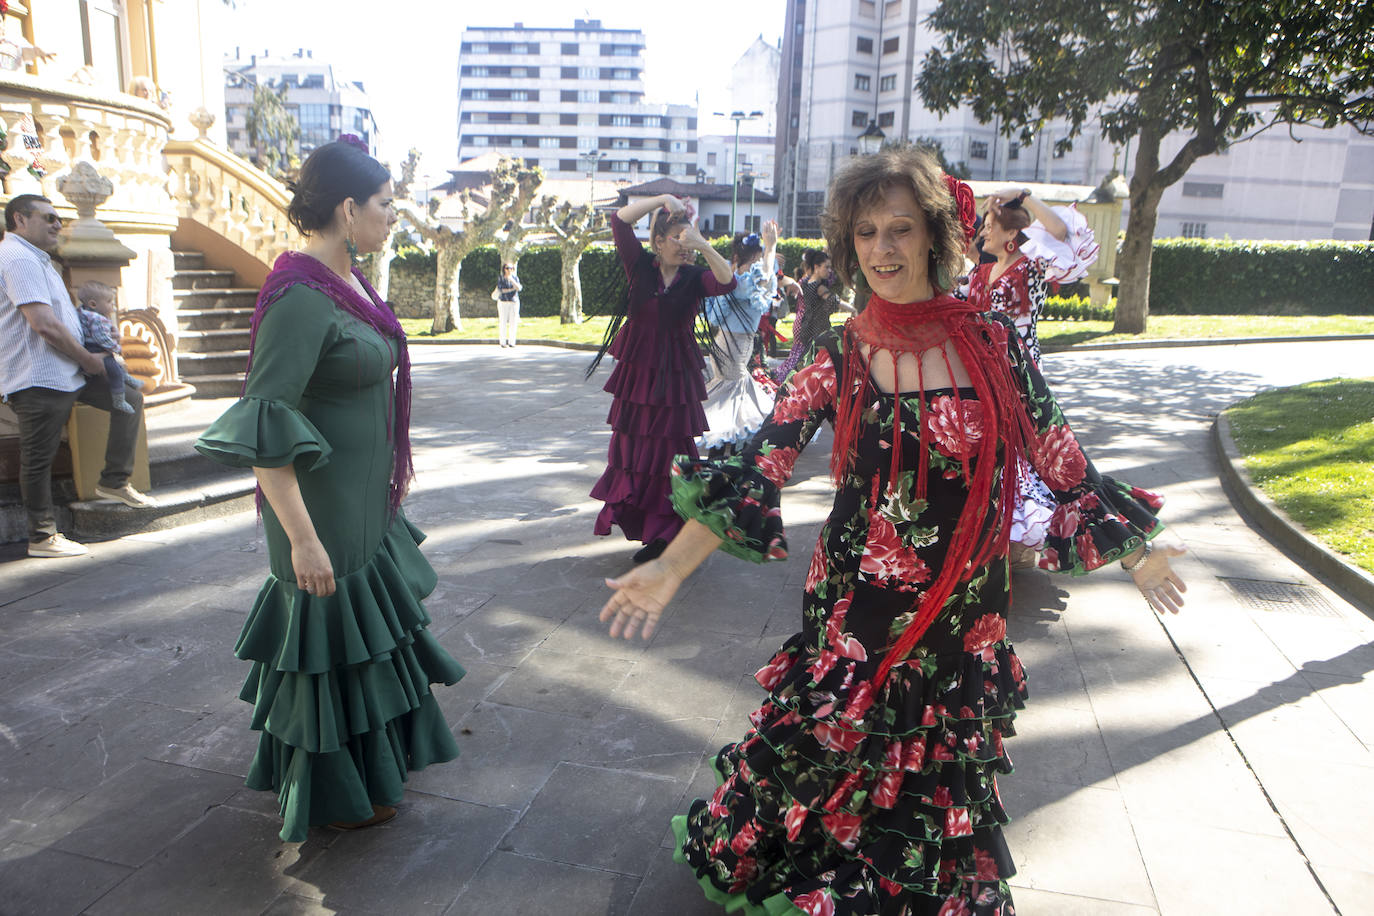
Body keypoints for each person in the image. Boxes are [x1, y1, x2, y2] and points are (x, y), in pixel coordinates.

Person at [599, 146, 1185, 915]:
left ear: (936, 238)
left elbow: (1060, 455)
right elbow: (761, 466)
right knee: (836, 741)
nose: (882, 249)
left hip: (963, 603)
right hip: (858, 598)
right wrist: (671, 569)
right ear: (849, 243)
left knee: (932, 755)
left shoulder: (996, 343)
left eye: (901, 229)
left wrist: (1137, 555)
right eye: (867, 232)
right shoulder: (838, 352)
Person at [195, 140, 465, 843]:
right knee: (332, 648)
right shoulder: (298, 298)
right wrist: (303, 539)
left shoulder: (350, 282)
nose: (391, 218)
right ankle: (337, 789)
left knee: (367, 644)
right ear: (348, 209)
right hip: (320, 516)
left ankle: (373, 772)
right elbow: (264, 432)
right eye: (384, 205)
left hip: (361, 507)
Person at [0, 194, 155, 559]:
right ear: (20, 220)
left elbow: (64, 318)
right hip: (37, 375)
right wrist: (88, 358)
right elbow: (44, 324)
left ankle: (113, 482)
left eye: (58, 218)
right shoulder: (18, 257)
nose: (57, 224)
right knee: (38, 457)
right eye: (49, 217)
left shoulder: (39, 259)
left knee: (129, 399)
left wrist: (96, 348)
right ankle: (42, 537)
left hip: (68, 370)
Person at [587, 193, 736, 565]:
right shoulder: (638, 266)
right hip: (637, 379)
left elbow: (727, 281)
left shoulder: (694, 277)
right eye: (678, 239)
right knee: (634, 453)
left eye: (688, 239)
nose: (684, 247)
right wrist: (660, 200)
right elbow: (620, 221)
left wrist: (701, 244)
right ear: (657, 242)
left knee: (670, 457)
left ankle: (667, 533)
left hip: (674, 382)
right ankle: (649, 529)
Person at [967, 189, 1099, 565]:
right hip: (980, 374)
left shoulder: (1031, 266)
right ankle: (990, 528)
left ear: (1011, 235)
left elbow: (1061, 233)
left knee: (1024, 449)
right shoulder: (979, 272)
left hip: (1019, 372)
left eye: (990, 226)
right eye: (984, 225)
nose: (983, 232)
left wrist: (1025, 196)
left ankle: (1023, 533)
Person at [698, 223, 781, 458]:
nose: (759, 264)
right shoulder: (745, 282)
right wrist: (771, 246)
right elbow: (765, 278)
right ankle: (723, 454)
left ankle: (723, 454)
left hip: (727, 345)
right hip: (731, 346)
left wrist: (769, 248)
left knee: (732, 397)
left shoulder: (736, 279)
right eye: (756, 259)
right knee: (731, 397)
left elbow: (765, 277)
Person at [775, 248, 855, 382]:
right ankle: (789, 381)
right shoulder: (818, 287)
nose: (830, 271)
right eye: (827, 267)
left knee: (797, 356)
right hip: (811, 327)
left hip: (801, 324)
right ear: (816, 267)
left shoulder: (804, 281)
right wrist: (853, 309)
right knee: (806, 360)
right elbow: (835, 301)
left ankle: (784, 379)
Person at [75, 280, 143, 415]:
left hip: (92, 348)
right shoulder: (97, 319)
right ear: (93, 304)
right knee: (114, 371)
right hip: (95, 349)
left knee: (115, 366)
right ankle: (119, 399)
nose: (113, 305)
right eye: (109, 301)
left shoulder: (84, 313)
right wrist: (116, 348)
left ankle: (126, 378)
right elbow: (102, 338)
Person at [492, 262, 522, 348]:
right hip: (503, 302)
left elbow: (519, 288)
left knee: (513, 322)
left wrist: (511, 280)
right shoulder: (501, 278)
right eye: (507, 268)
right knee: (503, 321)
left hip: (514, 302)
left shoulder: (515, 278)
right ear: (504, 269)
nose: (509, 270)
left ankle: (512, 342)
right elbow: (502, 290)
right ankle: (503, 342)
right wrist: (512, 289)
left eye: (511, 268)